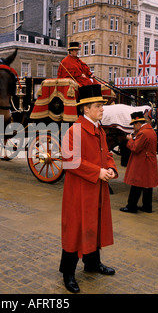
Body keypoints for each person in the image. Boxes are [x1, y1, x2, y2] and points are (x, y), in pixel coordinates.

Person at [59, 84, 118, 293]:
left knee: (95, 226)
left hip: (97, 190)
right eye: (98, 105)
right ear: (85, 109)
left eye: (102, 105)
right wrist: (98, 172)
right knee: (75, 230)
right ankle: (68, 273)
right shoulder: (75, 130)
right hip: (79, 192)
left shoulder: (98, 129)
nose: (102, 109)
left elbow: (107, 154)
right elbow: (70, 160)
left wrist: (110, 168)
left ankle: (92, 264)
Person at [120, 111, 158, 214]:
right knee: (147, 185)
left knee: (136, 184)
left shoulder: (143, 133)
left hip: (142, 162)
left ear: (138, 123)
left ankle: (131, 206)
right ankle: (147, 206)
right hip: (149, 161)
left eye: (133, 125)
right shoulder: (151, 131)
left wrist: (130, 140)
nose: (133, 128)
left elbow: (135, 148)